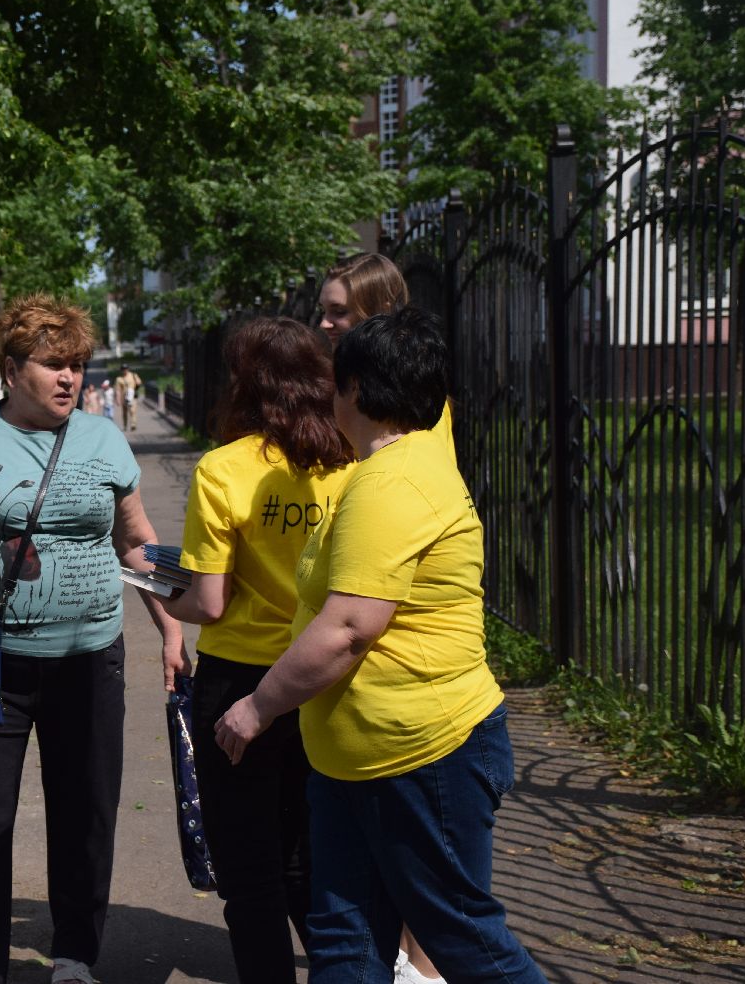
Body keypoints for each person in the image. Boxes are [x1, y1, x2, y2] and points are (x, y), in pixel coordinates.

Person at [214, 309, 548, 984]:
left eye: (337, 382)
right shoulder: (391, 468)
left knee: (462, 941)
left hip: (421, 756)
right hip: (359, 761)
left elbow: (349, 629)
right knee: (346, 940)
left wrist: (258, 707)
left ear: (358, 391)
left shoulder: (392, 482)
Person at [0, 293, 186, 984]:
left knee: (85, 814)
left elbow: (138, 543)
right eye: (54, 365)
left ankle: (76, 955)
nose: (70, 379)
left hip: (88, 659)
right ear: (14, 367)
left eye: (78, 366)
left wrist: (173, 630)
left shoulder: (103, 439)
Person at [160, 318, 353, 983]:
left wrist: (162, 596)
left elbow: (208, 602)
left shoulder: (224, 469)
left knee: (249, 871)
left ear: (244, 383)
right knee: (313, 862)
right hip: (322, 677)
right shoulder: (350, 463)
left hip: (239, 683)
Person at [319, 253, 453, 984]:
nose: (325, 323)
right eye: (324, 309)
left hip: (400, 676)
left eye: (339, 310)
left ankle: (420, 968)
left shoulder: (406, 425)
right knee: (355, 898)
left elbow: (364, 610)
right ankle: (399, 960)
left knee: (434, 893)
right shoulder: (352, 404)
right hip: (357, 692)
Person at [114, 364, 143, 431]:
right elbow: (118, 390)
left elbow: (139, 382)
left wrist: (137, 383)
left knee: (132, 411)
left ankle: (133, 424)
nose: (125, 370)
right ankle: (125, 425)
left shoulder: (133, 375)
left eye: (126, 369)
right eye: (123, 369)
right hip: (124, 397)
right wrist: (117, 399)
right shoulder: (119, 379)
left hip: (132, 396)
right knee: (124, 412)